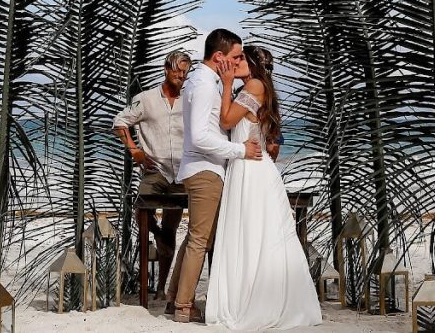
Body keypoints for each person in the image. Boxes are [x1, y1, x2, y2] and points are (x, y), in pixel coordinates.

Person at [206, 45, 323, 329]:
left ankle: (256, 300)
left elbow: (225, 120)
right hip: (250, 168)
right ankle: (252, 295)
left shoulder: (255, 85)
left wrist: (225, 84)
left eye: (241, 59)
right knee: (255, 235)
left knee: (253, 234)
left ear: (255, 65)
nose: (235, 63)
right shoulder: (258, 87)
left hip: (251, 171)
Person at [167, 29, 263, 324]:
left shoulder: (205, 81)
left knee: (196, 237)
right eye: (235, 56)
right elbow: (199, 137)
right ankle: (184, 306)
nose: (238, 61)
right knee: (201, 240)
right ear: (219, 56)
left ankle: (174, 298)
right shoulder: (205, 85)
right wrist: (239, 150)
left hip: (203, 168)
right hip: (205, 169)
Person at [113, 51, 191, 299]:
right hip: (155, 170)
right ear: (166, 68)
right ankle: (157, 234)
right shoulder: (145, 99)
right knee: (141, 207)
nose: (181, 75)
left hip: (183, 173)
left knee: (172, 228)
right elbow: (119, 122)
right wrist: (134, 150)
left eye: (185, 71)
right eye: (177, 70)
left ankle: (160, 288)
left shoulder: (190, 99)